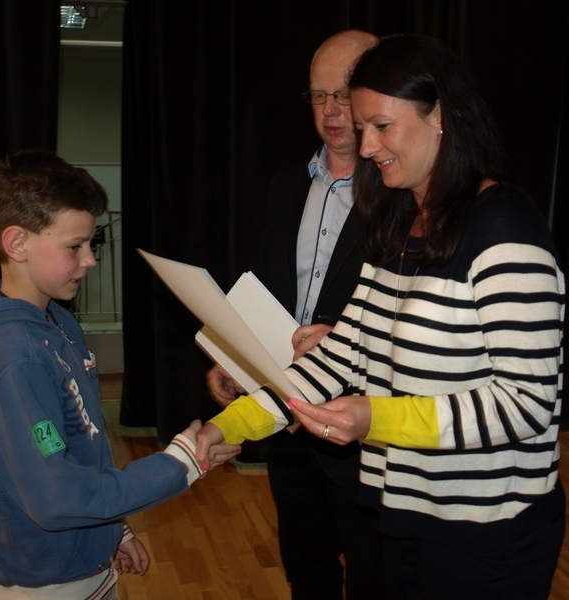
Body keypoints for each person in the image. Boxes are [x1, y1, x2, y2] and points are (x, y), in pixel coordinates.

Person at [197, 33, 566, 600]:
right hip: (404, 515)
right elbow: (342, 353)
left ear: (439, 115)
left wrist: (376, 419)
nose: (366, 146)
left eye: (381, 126)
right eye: (361, 127)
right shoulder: (400, 224)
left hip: (487, 534)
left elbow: (527, 403)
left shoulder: (504, 230)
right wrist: (230, 426)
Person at [0, 149, 240, 599]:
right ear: (16, 244)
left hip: (83, 561)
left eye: (90, 244)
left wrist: (113, 529)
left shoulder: (57, 320)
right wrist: (179, 463)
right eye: (74, 246)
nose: (90, 260)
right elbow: (56, 498)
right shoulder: (14, 357)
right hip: (41, 583)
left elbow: (80, 447)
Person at [206, 29, 384, 600]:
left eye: (344, 95)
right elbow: (265, 290)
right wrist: (234, 358)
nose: (331, 111)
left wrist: (344, 339)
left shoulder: (404, 195)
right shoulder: (286, 186)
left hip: (364, 431)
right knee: (306, 574)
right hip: (287, 423)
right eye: (318, 96)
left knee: (376, 579)